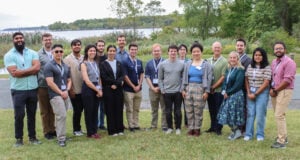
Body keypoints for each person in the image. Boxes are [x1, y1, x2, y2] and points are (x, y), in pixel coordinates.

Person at [4, 32, 42, 147]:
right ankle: (19, 139)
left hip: (32, 88)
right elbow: (14, 73)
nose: (19, 40)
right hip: (18, 90)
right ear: (13, 40)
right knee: (19, 115)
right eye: (16, 38)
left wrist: (22, 72)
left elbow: (37, 68)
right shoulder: (9, 55)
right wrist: (31, 70)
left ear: (24, 39)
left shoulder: (33, 53)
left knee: (32, 114)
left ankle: (33, 137)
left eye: (21, 38)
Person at [182, 42, 213, 136]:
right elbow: (184, 77)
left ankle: (197, 129)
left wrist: (206, 91)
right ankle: (191, 128)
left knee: (198, 110)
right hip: (189, 88)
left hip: (200, 88)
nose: (196, 53)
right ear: (191, 53)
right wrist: (183, 89)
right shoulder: (188, 64)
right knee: (189, 110)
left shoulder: (206, 64)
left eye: (198, 51)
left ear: (201, 52)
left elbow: (209, 78)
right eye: (194, 51)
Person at [269, 41, 296, 149]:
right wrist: (272, 89)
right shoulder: (274, 62)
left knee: (279, 115)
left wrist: (275, 90)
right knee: (279, 114)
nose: (278, 50)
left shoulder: (289, 62)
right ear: (274, 51)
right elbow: (273, 76)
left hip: (284, 90)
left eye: (280, 48)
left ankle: (281, 142)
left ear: (285, 50)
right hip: (275, 90)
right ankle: (284, 136)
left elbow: (287, 80)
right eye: (276, 49)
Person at [45, 44, 72, 147]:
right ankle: (61, 138)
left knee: (61, 116)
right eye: (56, 51)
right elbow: (50, 82)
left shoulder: (65, 65)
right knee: (62, 115)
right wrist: (61, 92)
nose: (59, 53)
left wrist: (67, 90)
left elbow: (69, 80)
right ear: (52, 53)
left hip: (65, 93)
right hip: (56, 94)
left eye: (61, 51)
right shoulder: (49, 66)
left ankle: (61, 134)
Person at [244, 47, 271, 141]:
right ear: (253, 56)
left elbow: (266, 82)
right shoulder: (250, 66)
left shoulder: (267, 67)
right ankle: (248, 134)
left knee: (260, 114)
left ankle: (260, 134)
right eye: (256, 55)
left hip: (262, 92)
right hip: (250, 91)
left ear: (263, 56)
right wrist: (248, 92)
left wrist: (255, 94)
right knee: (250, 114)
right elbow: (246, 79)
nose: (257, 57)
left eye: (260, 55)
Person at [217, 51, 245, 140]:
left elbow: (238, 85)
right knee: (226, 114)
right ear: (229, 59)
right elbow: (225, 82)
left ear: (237, 59)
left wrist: (228, 93)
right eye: (231, 58)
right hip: (227, 94)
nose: (232, 59)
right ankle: (234, 131)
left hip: (236, 95)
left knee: (231, 114)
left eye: (234, 58)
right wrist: (224, 91)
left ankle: (237, 132)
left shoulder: (240, 70)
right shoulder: (228, 69)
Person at [158, 45, 184, 135]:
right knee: (168, 111)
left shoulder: (181, 64)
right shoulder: (162, 64)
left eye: (174, 51)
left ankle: (178, 128)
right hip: (167, 92)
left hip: (178, 92)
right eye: (171, 51)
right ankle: (170, 127)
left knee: (178, 111)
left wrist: (181, 89)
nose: (173, 53)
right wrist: (162, 89)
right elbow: (160, 78)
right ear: (168, 52)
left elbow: (184, 78)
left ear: (177, 52)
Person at [100, 45, 125, 136]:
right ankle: (112, 130)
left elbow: (122, 75)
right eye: (110, 51)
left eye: (113, 51)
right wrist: (115, 83)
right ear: (107, 52)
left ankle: (120, 129)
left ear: (115, 52)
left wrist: (117, 84)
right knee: (110, 109)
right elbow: (104, 77)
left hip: (118, 90)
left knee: (119, 108)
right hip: (108, 89)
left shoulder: (118, 63)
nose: (112, 52)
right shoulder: (103, 64)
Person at [80, 44, 103, 139]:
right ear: (86, 52)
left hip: (97, 88)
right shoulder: (83, 64)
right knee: (89, 111)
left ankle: (95, 130)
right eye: (90, 51)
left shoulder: (96, 63)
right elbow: (87, 80)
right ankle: (90, 132)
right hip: (88, 89)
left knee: (95, 110)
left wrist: (100, 89)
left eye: (94, 51)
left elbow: (99, 77)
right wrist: (97, 90)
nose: (92, 52)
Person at [63, 39, 85, 136]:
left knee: (84, 109)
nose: (77, 46)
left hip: (84, 89)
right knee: (77, 110)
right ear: (71, 47)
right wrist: (70, 89)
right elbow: (66, 76)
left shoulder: (84, 58)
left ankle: (81, 128)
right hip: (74, 89)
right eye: (75, 45)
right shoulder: (67, 59)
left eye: (79, 45)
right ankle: (76, 129)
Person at [37, 33, 56, 140]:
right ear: (42, 41)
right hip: (43, 85)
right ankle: (47, 131)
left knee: (53, 109)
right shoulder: (38, 54)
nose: (48, 41)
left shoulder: (55, 52)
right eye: (45, 40)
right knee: (44, 110)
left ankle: (53, 130)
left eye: (49, 39)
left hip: (54, 85)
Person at [206, 41, 228, 135]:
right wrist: (208, 88)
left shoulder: (224, 61)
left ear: (221, 49)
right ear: (212, 49)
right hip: (209, 90)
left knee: (219, 109)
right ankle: (212, 126)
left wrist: (214, 87)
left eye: (218, 47)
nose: (217, 49)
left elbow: (223, 77)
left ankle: (218, 128)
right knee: (211, 109)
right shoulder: (207, 60)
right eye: (215, 47)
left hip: (218, 90)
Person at [145, 43, 167, 131]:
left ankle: (164, 126)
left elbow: (168, 77)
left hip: (163, 89)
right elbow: (147, 77)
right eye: (155, 51)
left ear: (161, 52)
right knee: (154, 109)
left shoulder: (166, 62)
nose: (156, 52)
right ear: (152, 52)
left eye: (158, 51)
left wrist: (161, 87)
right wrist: (153, 88)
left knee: (164, 108)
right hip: (152, 89)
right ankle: (153, 125)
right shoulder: (149, 63)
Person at [123, 43, 144, 132]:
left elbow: (142, 74)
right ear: (129, 50)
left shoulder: (139, 62)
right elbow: (125, 76)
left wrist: (139, 85)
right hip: (128, 89)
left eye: (135, 49)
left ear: (137, 50)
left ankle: (136, 124)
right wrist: (133, 86)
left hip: (138, 89)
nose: (134, 51)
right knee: (130, 108)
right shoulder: (125, 61)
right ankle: (131, 125)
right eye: (132, 49)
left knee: (136, 108)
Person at [236, 38, 251, 133]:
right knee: (237, 108)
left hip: (243, 88)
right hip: (235, 89)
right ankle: (238, 127)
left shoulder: (248, 60)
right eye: (238, 45)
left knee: (244, 109)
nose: (239, 47)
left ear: (244, 47)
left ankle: (244, 128)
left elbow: (247, 76)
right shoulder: (234, 58)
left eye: (241, 45)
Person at [95, 39, 107, 130]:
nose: (101, 47)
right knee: (95, 106)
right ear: (96, 46)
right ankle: (95, 124)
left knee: (103, 106)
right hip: (95, 85)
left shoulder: (106, 57)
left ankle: (101, 124)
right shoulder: (93, 57)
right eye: (99, 45)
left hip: (105, 85)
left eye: (102, 45)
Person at [178, 44, 189, 128]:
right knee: (178, 107)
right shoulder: (175, 61)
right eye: (181, 49)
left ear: (186, 51)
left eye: (184, 49)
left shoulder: (189, 62)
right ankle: (178, 123)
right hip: (177, 87)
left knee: (187, 106)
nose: (182, 51)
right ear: (178, 51)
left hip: (187, 87)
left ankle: (187, 123)